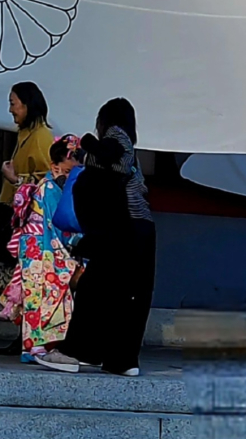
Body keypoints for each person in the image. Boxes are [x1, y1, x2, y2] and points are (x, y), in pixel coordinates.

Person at [37, 98, 155, 377]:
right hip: (142, 230)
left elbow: (108, 156)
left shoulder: (116, 137)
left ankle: (76, 351)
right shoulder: (132, 152)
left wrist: (88, 143)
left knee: (94, 289)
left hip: (119, 228)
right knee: (132, 295)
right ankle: (123, 359)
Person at [0, 135, 83, 363]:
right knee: (41, 296)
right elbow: (62, 223)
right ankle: (35, 346)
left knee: (44, 296)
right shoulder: (50, 189)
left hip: (40, 246)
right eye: (65, 171)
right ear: (54, 167)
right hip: (42, 246)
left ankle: (36, 346)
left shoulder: (48, 186)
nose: (68, 176)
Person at [0, 82, 55, 355]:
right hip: (14, 216)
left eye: (13, 103)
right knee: (15, 279)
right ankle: (23, 335)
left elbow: (48, 178)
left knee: (25, 278)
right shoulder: (25, 134)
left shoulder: (41, 136)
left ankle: (28, 337)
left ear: (28, 105)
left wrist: (16, 180)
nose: (10, 109)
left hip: (29, 222)